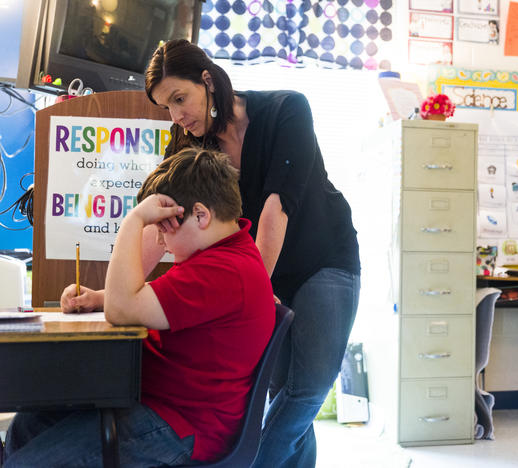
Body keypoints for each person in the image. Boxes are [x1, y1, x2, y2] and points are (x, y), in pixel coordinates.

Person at [62, 38, 361, 467]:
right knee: (274, 391)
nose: (176, 116)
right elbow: (158, 222)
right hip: (259, 268)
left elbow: (277, 210)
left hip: (322, 258)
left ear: (207, 79)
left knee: (306, 390)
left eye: (180, 99)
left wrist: (254, 288)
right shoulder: (186, 143)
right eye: (166, 107)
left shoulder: (286, 110)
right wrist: (113, 296)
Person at [5, 148, 274, 467]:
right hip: (158, 402)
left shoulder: (224, 270)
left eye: (164, 227)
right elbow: (151, 297)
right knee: (28, 424)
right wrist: (99, 297)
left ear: (201, 216)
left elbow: (123, 309)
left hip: (182, 423)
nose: (161, 241)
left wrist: (134, 220)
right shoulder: (221, 256)